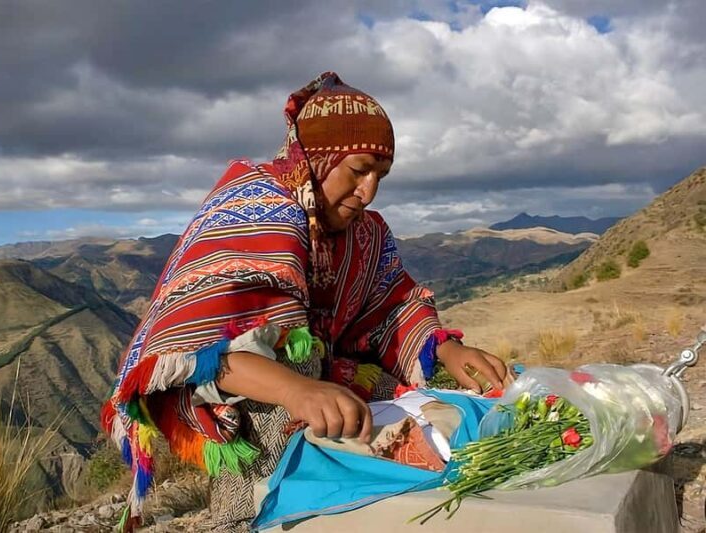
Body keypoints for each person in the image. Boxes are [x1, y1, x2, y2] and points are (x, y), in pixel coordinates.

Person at [101, 72, 508, 532]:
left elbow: (393, 307)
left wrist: (449, 350)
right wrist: (300, 391)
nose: (369, 191)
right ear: (319, 157)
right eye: (358, 170)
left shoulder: (365, 234)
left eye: (381, 175)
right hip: (253, 402)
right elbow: (201, 349)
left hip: (323, 381)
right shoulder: (256, 207)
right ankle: (252, 516)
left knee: (418, 406)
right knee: (288, 396)